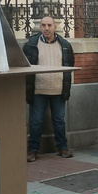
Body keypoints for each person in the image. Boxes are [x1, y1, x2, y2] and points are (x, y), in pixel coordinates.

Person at [24, 16, 75, 162]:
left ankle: (62, 148)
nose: (46, 28)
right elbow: (25, 66)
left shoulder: (65, 45)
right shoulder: (31, 44)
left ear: (55, 26)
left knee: (59, 121)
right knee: (36, 122)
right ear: (40, 27)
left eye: (49, 25)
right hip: (38, 91)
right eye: (43, 25)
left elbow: (70, 64)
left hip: (58, 90)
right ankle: (33, 150)